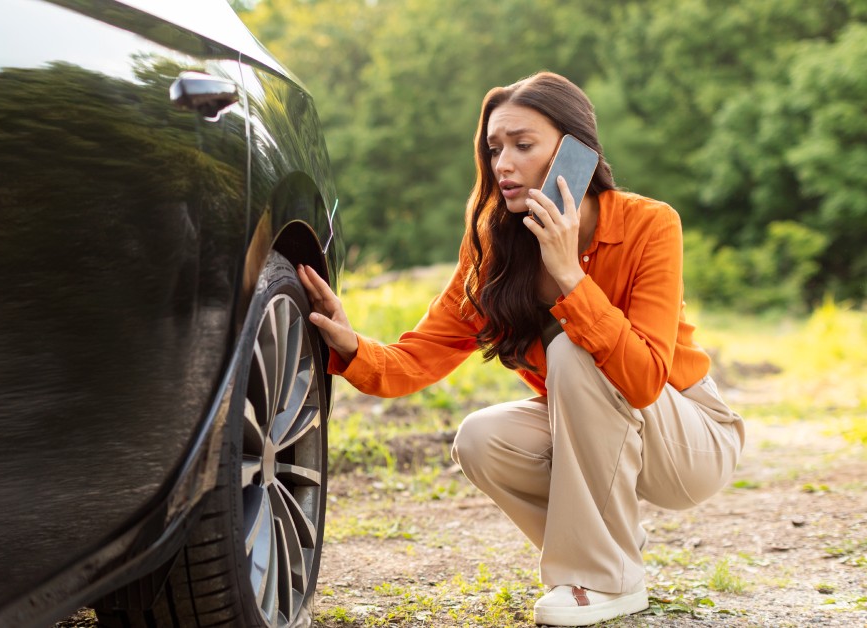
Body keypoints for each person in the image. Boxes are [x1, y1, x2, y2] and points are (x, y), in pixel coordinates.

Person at [297, 72, 745, 627]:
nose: (502, 164)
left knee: (573, 352)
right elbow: (419, 356)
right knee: (482, 440)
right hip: (592, 429)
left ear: (575, 152)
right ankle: (611, 561)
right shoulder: (494, 246)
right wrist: (350, 342)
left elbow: (645, 379)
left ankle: (599, 577)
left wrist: (570, 279)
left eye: (523, 145)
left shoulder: (650, 224)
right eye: (494, 148)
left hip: (687, 439)